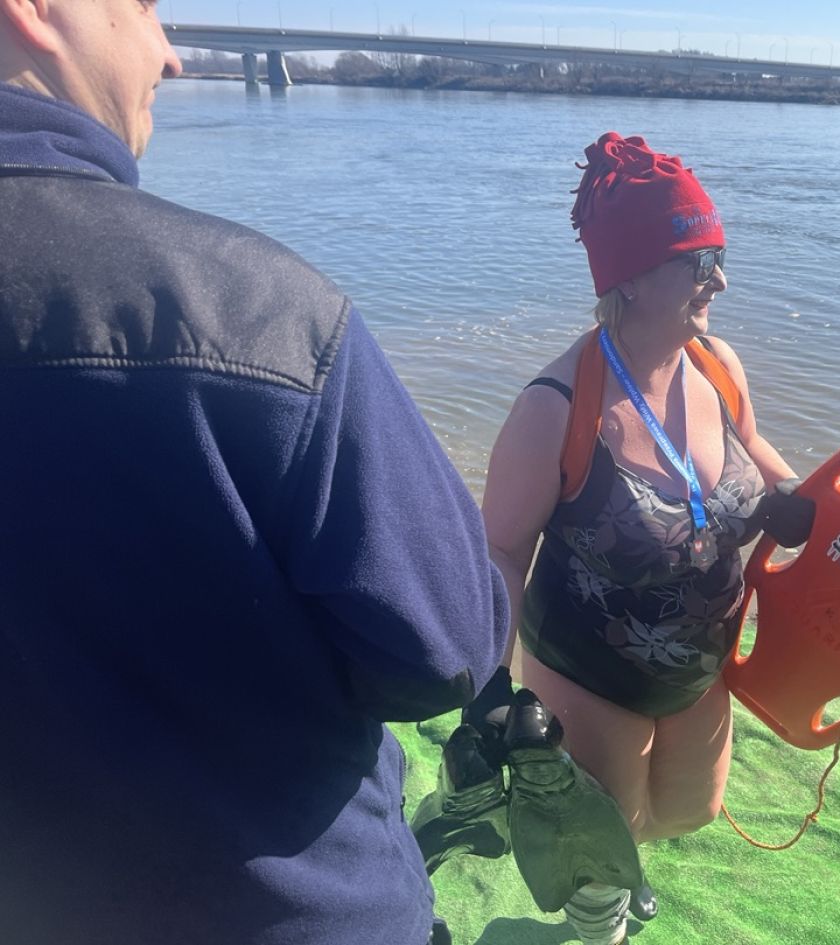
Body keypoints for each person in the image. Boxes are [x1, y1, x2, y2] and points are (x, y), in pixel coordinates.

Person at [0, 3, 509, 945]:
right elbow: (447, 651)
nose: (170, 54)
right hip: (285, 911)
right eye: (143, 6)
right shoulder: (254, 310)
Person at [465, 131, 812, 945]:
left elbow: (754, 449)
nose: (719, 279)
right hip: (590, 670)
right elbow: (499, 554)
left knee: (688, 808)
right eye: (700, 262)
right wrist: (488, 686)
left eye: (721, 256)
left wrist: (796, 494)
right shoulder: (556, 407)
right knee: (601, 853)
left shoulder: (717, 364)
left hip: (700, 667)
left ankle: (617, 879)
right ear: (629, 279)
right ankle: (600, 922)